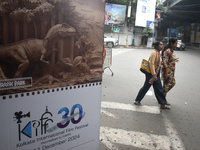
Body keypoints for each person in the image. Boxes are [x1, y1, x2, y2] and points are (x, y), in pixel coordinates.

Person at [134, 41, 170, 109]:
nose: (162, 46)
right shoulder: (154, 53)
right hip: (152, 73)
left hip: (156, 72)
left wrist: (163, 64)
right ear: (156, 46)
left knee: (158, 88)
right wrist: (154, 74)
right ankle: (137, 100)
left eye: (162, 45)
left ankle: (162, 103)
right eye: (160, 45)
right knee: (146, 87)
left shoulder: (158, 53)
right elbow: (151, 64)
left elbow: (159, 62)